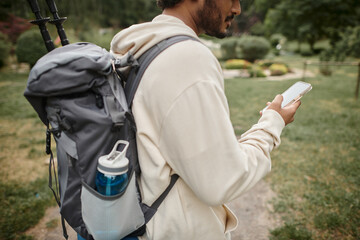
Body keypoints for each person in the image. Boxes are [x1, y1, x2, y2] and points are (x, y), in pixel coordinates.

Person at [110, 0, 301, 239]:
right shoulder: (186, 58)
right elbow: (222, 180)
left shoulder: (140, 48)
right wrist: (272, 124)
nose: (237, 9)